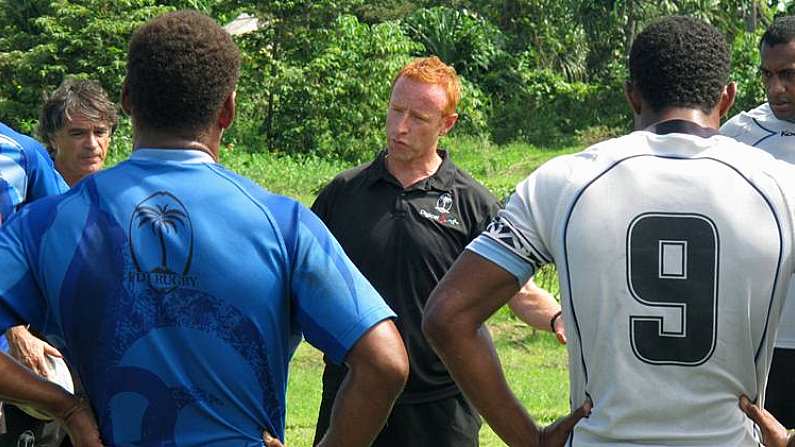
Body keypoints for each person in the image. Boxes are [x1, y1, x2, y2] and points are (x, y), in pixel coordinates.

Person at [0, 9, 409, 446]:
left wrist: (69, 409)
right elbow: (385, 362)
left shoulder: (48, 223)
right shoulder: (283, 223)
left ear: (126, 99)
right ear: (228, 109)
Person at [424, 15, 795, 446]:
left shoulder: (562, 183)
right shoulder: (781, 188)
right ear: (726, 97)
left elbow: (447, 316)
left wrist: (529, 440)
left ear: (632, 95)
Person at [311, 56, 572, 447]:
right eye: (396, 110)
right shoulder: (342, 194)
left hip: (441, 408)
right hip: (353, 396)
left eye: (418, 117)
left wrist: (556, 317)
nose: (400, 127)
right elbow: (298, 285)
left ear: (447, 124)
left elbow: (518, 290)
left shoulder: (472, 203)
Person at [0, 78, 119, 447]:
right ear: (53, 138)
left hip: (87, 366)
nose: (92, 143)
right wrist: (14, 330)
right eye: (78, 132)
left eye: (100, 131)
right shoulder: (40, 195)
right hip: (28, 366)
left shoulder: (124, 201)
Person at [721, 15, 795, 430]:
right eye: (768, 75)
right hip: (764, 343)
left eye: (788, 75)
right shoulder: (740, 136)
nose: (775, 88)